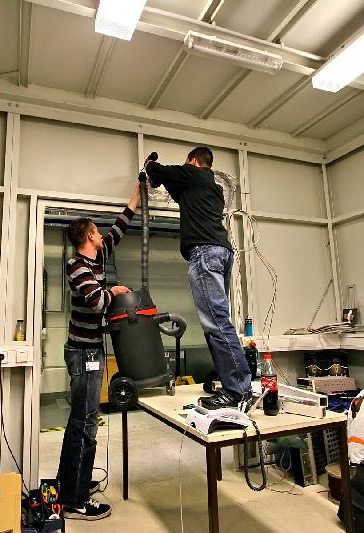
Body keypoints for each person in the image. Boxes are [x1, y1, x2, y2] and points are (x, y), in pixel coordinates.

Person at [145, 147, 253, 411]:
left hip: (205, 252)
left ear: (193, 161)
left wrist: (150, 164)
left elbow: (156, 171)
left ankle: (238, 389)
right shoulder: (213, 189)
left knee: (216, 322)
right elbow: (181, 194)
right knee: (218, 321)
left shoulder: (192, 173)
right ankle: (234, 384)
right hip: (222, 252)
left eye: (187, 163)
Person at [57, 183, 141, 521]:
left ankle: (71, 484)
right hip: (82, 352)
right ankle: (75, 500)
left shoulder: (97, 257)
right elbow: (96, 302)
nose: (103, 236)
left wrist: (137, 194)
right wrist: (115, 289)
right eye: (98, 232)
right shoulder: (77, 266)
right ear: (90, 235)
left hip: (90, 350)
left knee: (82, 420)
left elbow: (120, 227)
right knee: (85, 422)